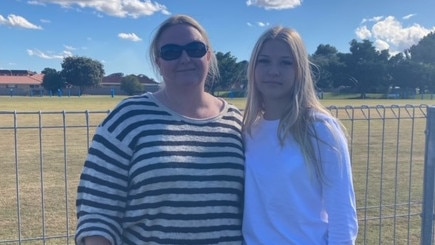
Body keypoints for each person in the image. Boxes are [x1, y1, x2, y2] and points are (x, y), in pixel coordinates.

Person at [75, 15, 245, 245]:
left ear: (209, 55)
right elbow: (97, 210)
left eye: (195, 48)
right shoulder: (129, 117)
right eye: (171, 52)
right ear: (158, 62)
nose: (185, 58)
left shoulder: (238, 123)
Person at [242, 26, 358, 244]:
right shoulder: (248, 131)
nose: (273, 71)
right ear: (253, 68)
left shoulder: (320, 128)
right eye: (264, 61)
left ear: (300, 70)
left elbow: (343, 215)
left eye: (286, 62)